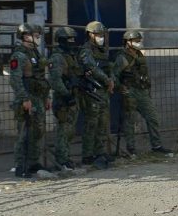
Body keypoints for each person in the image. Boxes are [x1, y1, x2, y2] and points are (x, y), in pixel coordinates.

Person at [112, 30, 172, 156]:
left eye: (139, 41)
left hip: (142, 91)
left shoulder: (140, 55)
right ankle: (131, 149)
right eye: (136, 41)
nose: (139, 43)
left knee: (153, 118)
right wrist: (121, 88)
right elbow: (114, 76)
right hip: (130, 91)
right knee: (129, 121)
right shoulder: (122, 57)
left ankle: (157, 146)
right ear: (128, 42)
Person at [9, 23, 51, 177]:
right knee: (24, 133)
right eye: (35, 35)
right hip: (27, 98)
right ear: (26, 36)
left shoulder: (35, 54)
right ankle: (21, 165)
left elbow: (40, 77)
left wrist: (46, 97)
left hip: (38, 98)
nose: (38, 38)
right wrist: (24, 98)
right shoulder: (19, 56)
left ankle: (33, 162)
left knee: (38, 131)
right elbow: (15, 80)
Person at [78, 21, 114, 169]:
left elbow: (108, 67)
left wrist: (111, 79)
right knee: (91, 123)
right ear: (90, 35)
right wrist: (107, 80)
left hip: (104, 91)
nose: (101, 38)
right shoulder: (86, 51)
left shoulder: (102, 51)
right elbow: (92, 67)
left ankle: (100, 153)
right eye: (98, 35)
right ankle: (88, 155)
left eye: (102, 35)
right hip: (92, 91)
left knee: (103, 123)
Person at [47, 27, 82, 170]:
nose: (72, 42)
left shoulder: (70, 55)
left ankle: (66, 157)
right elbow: (56, 81)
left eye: (73, 39)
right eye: (69, 40)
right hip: (63, 99)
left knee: (69, 131)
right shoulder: (57, 57)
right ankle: (61, 160)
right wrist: (67, 95)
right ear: (61, 40)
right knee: (64, 130)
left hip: (72, 96)